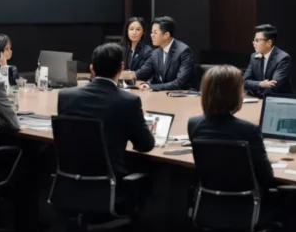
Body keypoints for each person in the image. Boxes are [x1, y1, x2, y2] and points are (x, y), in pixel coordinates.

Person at [58, 42, 155, 179]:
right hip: (110, 182)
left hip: (70, 179)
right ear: (121, 68)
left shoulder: (65, 96)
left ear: (92, 68)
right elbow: (146, 145)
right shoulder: (128, 102)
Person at [189, 65, 275, 191]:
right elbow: (266, 178)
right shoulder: (249, 130)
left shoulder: (193, 124)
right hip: (247, 200)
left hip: (209, 197)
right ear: (234, 95)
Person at [135, 16, 195, 92]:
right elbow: (141, 73)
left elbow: (179, 83)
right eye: (151, 32)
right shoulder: (155, 53)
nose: (151, 35)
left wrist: (151, 86)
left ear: (166, 35)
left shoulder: (184, 51)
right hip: (164, 94)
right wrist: (125, 75)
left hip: (184, 95)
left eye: (155, 33)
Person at [242, 24, 293, 97]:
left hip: (277, 99)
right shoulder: (254, 56)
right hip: (257, 98)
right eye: (254, 40)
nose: (254, 43)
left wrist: (255, 89)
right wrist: (261, 84)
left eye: (257, 40)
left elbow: (274, 86)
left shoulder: (283, 58)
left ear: (269, 43)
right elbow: (245, 81)